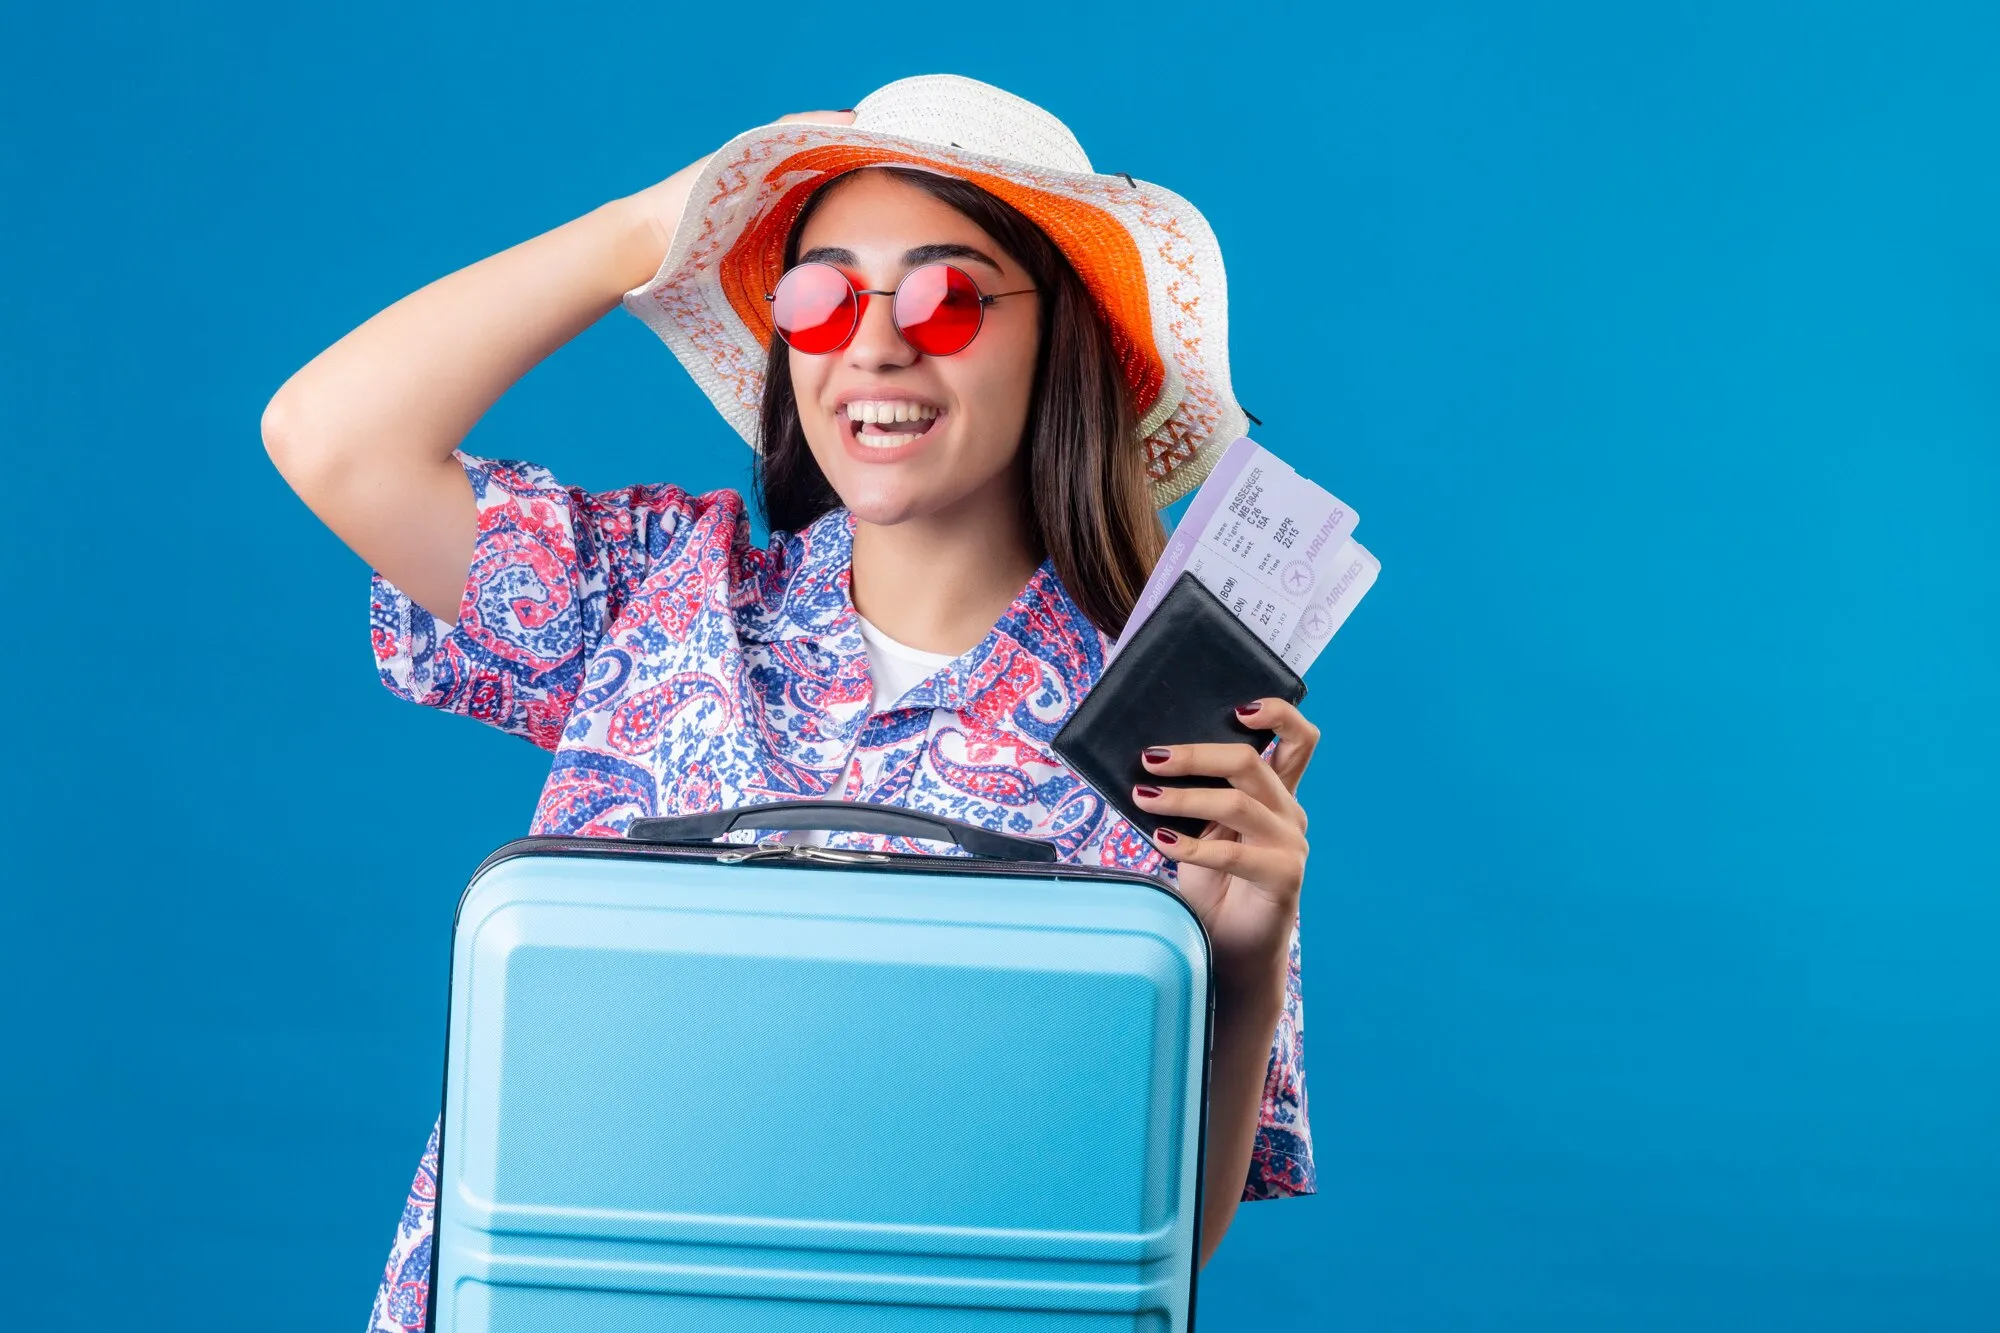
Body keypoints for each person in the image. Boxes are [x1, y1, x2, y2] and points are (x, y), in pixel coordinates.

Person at [262, 74, 1321, 1330]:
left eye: (946, 294)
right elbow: (332, 438)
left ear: (1064, 337)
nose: (874, 344)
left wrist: (1242, 969)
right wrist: (650, 231)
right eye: (816, 297)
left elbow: (1140, 1257)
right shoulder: (649, 590)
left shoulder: (1158, 738)